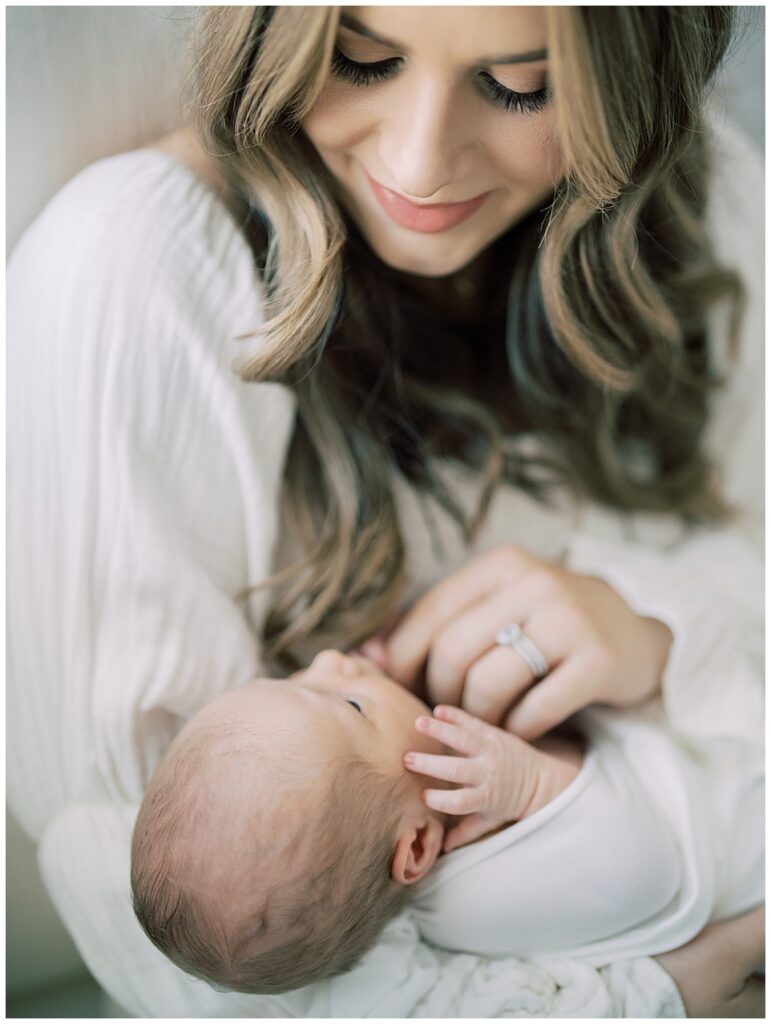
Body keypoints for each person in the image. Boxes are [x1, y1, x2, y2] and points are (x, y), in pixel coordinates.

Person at [7, 5, 763, 1017]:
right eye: (360, 60)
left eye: (519, 83)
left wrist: (654, 627)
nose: (418, 164)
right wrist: (657, 989)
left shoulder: (703, 200)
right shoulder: (132, 275)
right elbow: (197, 944)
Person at [129, 647, 762, 995]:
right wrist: (532, 784)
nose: (329, 657)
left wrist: (376, 685)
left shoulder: (418, 797)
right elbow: (645, 872)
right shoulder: (470, 902)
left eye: (295, 675)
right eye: (350, 703)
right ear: (417, 847)